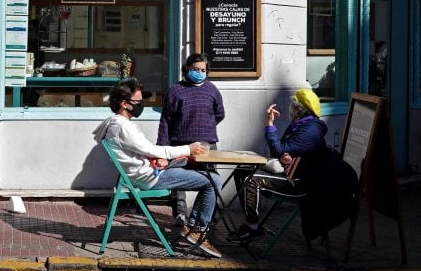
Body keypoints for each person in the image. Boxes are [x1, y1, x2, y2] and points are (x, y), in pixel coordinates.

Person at [93, 78, 223, 258]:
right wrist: (187, 149)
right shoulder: (121, 126)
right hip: (150, 177)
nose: (141, 105)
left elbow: (143, 151)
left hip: (149, 170)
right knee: (213, 180)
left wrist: (161, 157)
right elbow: (150, 149)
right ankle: (198, 229)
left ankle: (193, 226)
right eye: (138, 102)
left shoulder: (118, 123)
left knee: (200, 168)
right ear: (124, 103)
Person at [232, 88, 358, 243]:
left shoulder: (310, 130)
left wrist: (269, 124)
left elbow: (278, 149)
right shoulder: (299, 125)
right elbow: (283, 150)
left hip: (300, 183)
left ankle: (252, 227)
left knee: (251, 180)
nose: (290, 109)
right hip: (291, 172)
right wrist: (285, 154)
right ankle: (252, 223)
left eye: (292, 106)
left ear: (300, 110)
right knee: (241, 170)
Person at [156, 53, 225, 227]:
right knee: (179, 181)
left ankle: (204, 217)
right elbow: (166, 121)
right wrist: (162, 149)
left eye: (203, 70)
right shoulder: (175, 90)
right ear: (187, 68)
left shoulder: (212, 89)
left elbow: (219, 113)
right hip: (181, 144)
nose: (199, 72)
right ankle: (180, 214)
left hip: (206, 145)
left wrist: (204, 126)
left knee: (211, 179)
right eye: (195, 69)